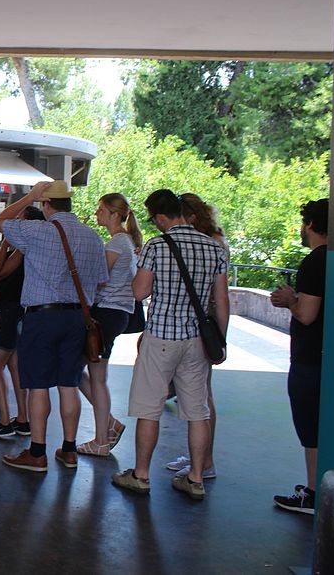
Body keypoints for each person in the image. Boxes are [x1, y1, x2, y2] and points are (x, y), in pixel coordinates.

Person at [112, 188, 229, 501]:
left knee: (149, 409)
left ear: (160, 217)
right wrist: (221, 341)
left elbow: (139, 292)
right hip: (196, 342)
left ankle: (141, 474)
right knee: (198, 411)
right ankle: (195, 478)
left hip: (161, 336)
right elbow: (221, 300)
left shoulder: (158, 246)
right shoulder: (213, 247)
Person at [0, 180, 108, 473]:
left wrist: (28, 196)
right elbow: (100, 281)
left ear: (46, 205)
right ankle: (69, 449)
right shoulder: (92, 237)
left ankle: (37, 452)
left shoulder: (36, 231)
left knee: (38, 385)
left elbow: (0, 221)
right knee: (69, 383)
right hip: (77, 319)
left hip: (41, 317)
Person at [162, 192, 228, 478]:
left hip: (202, 325)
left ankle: (205, 461)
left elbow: (218, 295)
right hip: (205, 324)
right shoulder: (214, 242)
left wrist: (219, 339)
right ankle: (200, 458)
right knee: (199, 395)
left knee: (202, 396)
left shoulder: (209, 243)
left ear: (188, 217)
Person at [271, 198, 328, 515]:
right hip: (325, 357)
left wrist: (290, 300)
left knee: (311, 427)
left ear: (311, 225)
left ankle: (315, 492)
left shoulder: (315, 262)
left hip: (310, 359)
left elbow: (307, 314)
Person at [77, 193, 141, 456]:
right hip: (116, 313)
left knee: (93, 376)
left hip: (107, 312)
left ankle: (102, 438)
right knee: (89, 373)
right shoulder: (126, 242)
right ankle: (107, 426)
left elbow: (99, 279)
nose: (97, 214)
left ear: (114, 214)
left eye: (101, 209)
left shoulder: (117, 243)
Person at [0, 205, 44, 440]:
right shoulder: (33, 249)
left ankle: (6, 420)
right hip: (23, 311)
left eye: (20, 219)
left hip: (11, 311)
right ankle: (22, 418)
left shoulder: (22, 249)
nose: (15, 222)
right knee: (14, 365)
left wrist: (6, 241)